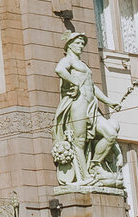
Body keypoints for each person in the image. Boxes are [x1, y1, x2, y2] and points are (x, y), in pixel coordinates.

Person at [53, 32, 127, 187]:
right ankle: (85, 176)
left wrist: (109, 101)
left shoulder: (83, 65)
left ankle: (94, 164)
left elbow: (91, 86)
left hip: (92, 105)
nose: (81, 46)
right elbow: (59, 69)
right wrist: (74, 83)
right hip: (78, 103)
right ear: (69, 44)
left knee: (110, 134)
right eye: (78, 43)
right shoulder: (67, 60)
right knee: (79, 142)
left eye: (82, 43)